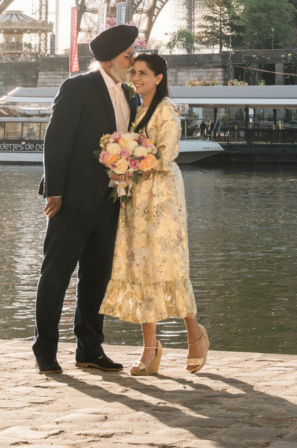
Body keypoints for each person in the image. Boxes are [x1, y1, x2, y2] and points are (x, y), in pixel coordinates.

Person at [32, 23, 140, 375]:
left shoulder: (130, 94)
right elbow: (56, 139)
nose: (133, 61)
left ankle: (89, 349)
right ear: (110, 59)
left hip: (110, 199)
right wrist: (55, 191)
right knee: (56, 274)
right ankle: (45, 349)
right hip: (73, 198)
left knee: (97, 278)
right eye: (129, 55)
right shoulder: (77, 87)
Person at [101, 52, 208, 376]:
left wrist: (133, 159)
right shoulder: (139, 110)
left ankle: (195, 334)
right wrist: (122, 165)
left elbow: (168, 153)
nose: (136, 78)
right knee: (140, 266)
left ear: (159, 78)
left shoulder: (167, 110)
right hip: (137, 198)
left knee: (168, 263)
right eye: (133, 73)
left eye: (143, 73)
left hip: (162, 198)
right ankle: (151, 349)